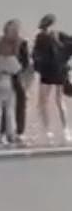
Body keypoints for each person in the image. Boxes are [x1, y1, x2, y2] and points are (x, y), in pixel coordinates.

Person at [31, 14, 72, 145]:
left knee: (47, 101)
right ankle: (59, 130)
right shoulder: (55, 36)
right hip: (56, 71)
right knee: (55, 101)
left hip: (51, 72)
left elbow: (36, 55)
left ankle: (51, 130)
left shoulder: (45, 37)